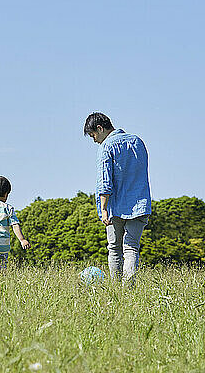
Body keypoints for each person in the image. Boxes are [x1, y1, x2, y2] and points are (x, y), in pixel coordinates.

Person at [84, 112, 152, 285]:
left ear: (100, 128)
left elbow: (104, 182)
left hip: (115, 206)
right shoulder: (137, 141)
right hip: (140, 203)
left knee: (114, 249)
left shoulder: (106, 147)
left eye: (93, 135)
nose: (94, 140)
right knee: (131, 249)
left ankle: (117, 288)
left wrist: (104, 208)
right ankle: (129, 288)